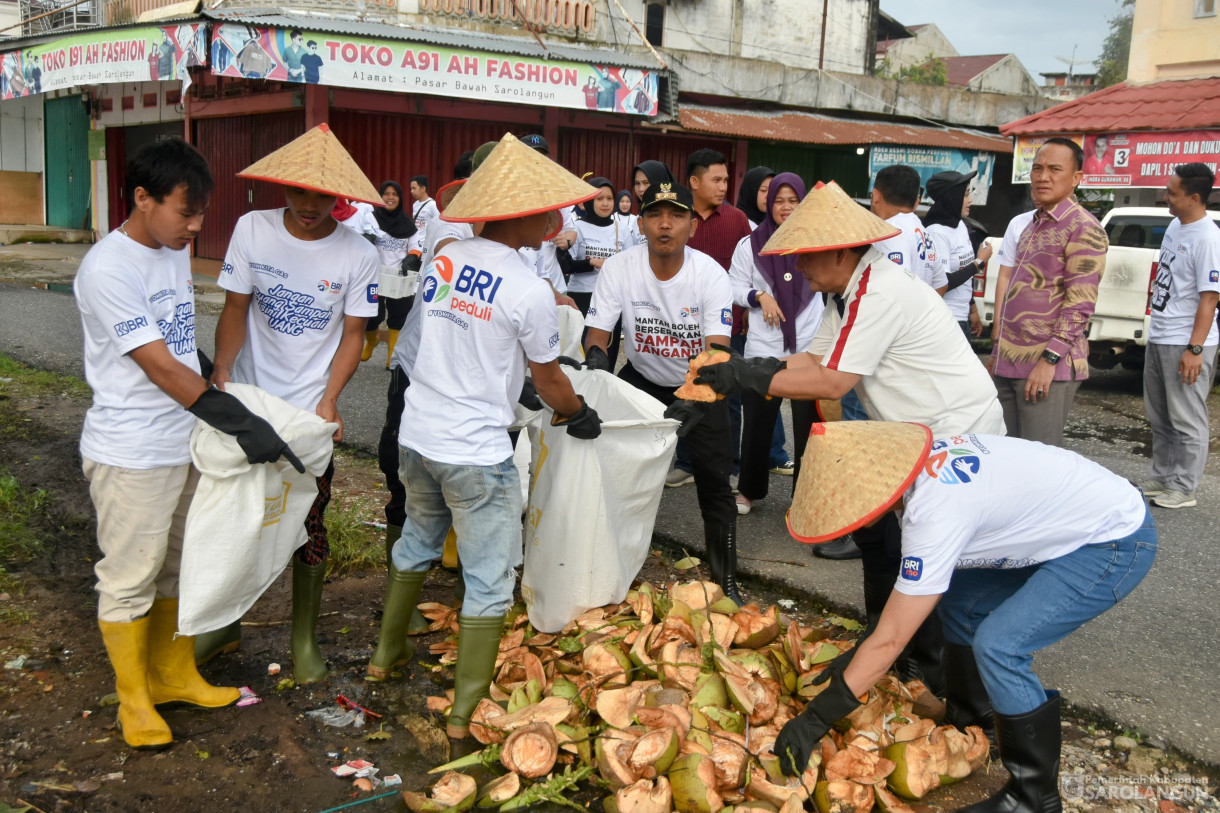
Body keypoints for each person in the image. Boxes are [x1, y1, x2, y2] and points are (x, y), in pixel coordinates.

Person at [695, 180, 1006, 697]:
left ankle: (934, 681)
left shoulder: (878, 291)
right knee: (882, 541)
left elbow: (832, 382)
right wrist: (739, 366)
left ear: (841, 251)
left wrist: (745, 378)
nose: (799, 268)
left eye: (808, 257)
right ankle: (884, 648)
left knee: (923, 555)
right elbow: (812, 360)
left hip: (957, 433)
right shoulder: (844, 294)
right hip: (912, 434)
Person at [771, 421, 1155, 813]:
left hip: (1112, 540)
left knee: (1001, 646)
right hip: (1076, 518)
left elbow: (892, 638)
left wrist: (814, 720)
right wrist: (859, 656)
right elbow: (906, 610)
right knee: (961, 604)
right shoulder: (919, 469)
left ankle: (1034, 796)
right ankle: (972, 723)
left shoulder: (934, 512)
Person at [365, 134, 602, 741]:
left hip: (419, 434)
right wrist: (577, 412)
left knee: (417, 539)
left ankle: (382, 659)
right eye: (549, 208)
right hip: (475, 452)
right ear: (523, 214)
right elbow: (548, 379)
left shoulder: (448, 256)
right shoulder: (527, 290)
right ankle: (466, 710)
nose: (558, 219)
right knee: (491, 577)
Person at [75, 139, 300, 749]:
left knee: (178, 565)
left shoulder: (168, 250)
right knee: (130, 575)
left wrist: (221, 386)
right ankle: (134, 700)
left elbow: (178, 344)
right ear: (142, 198)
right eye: (186, 212)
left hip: (182, 439)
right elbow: (159, 367)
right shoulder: (108, 268)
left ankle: (174, 673)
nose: (196, 227)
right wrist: (241, 424)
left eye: (203, 213)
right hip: (132, 451)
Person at [204, 124, 382, 683]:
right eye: (300, 192)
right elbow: (236, 307)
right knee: (236, 514)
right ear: (282, 187)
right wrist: (223, 372)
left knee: (310, 522)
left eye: (323, 196)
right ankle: (224, 622)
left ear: (340, 199)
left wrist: (331, 399)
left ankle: (303, 637)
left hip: (308, 411)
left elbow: (354, 334)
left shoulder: (358, 253)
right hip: (252, 397)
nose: (310, 205)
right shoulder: (251, 230)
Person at [583, 180, 741, 603]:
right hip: (643, 378)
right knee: (616, 472)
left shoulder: (709, 274)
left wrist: (693, 397)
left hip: (701, 383)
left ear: (692, 224)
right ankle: (609, 564)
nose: (665, 225)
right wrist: (597, 363)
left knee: (714, 480)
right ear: (641, 223)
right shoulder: (620, 267)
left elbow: (718, 351)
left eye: (676, 215)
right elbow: (597, 334)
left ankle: (725, 580)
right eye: (655, 215)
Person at [989, 137, 1106, 447]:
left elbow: (1079, 306)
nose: (1043, 176)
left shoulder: (1083, 227)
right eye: (1038, 168)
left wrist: (1049, 362)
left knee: (1037, 461)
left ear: (1076, 178)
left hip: (1047, 365)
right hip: (1010, 361)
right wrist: (999, 351)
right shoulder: (1033, 224)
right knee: (1007, 453)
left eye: (1055, 169)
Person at [729, 173, 821, 515]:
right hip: (763, 348)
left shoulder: (816, 242)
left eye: (792, 200)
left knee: (808, 427)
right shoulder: (750, 244)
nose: (785, 207)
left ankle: (804, 495)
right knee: (756, 422)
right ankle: (749, 490)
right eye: (779, 200)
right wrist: (759, 295)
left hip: (808, 347)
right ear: (769, 204)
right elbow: (733, 285)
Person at [1142, 162, 1220, 509]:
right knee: (1160, 414)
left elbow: (1210, 298)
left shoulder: (1209, 239)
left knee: (1187, 417)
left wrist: (1195, 348)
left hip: (1185, 341)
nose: (1166, 198)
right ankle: (1163, 477)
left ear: (1195, 197)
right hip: (1160, 335)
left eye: (1172, 193)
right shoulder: (1176, 224)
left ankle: (1184, 487)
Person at [684, 148, 754, 486]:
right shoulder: (679, 218)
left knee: (728, 397)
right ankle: (685, 463)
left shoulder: (738, 220)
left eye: (726, 180)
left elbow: (746, 273)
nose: (724, 186)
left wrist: (744, 313)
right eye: (716, 179)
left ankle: (730, 466)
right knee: (688, 389)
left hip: (728, 325)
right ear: (694, 182)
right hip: (683, 324)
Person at [923, 170, 990, 340]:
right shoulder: (936, 232)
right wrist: (979, 262)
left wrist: (972, 308)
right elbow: (943, 283)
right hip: (945, 320)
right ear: (951, 197)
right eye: (966, 194)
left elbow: (963, 275)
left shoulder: (960, 225)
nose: (971, 200)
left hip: (962, 316)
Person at [570, 177, 627, 366]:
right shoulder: (577, 227)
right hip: (582, 296)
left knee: (607, 355)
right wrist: (591, 262)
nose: (605, 203)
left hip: (611, 299)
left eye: (609, 199)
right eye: (599, 198)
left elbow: (631, 265)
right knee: (580, 355)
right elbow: (565, 265)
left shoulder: (622, 229)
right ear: (589, 200)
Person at [359, 180, 417, 367]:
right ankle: (372, 340)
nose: (390, 198)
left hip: (397, 277)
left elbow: (415, 248)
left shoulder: (409, 224)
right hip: (373, 275)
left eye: (395, 194)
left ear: (400, 198)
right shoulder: (371, 219)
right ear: (380, 196)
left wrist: (410, 259)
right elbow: (360, 240)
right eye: (386, 194)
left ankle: (391, 355)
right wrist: (366, 239)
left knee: (398, 315)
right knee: (372, 315)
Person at [870, 164, 948, 292]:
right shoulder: (923, 233)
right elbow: (941, 284)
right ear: (916, 202)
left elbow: (899, 287)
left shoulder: (890, 231)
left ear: (876, 196)